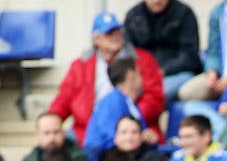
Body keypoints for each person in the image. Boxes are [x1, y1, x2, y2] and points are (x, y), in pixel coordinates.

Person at [48, 12, 165, 143]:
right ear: (96, 39)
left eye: (117, 31)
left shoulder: (143, 60)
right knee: (53, 141)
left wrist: (129, 122)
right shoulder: (80, 65)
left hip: (134, 130)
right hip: (86, 131)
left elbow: (154, 99)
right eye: (108, 33)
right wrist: (53, 118)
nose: (114, 36)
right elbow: (65, 97)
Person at [124, 0, 203, 103]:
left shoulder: (184, 14)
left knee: (158, 92)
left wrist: (163, 71)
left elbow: (190, 56)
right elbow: (128, 54)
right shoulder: (134, 17)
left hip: (177, 74)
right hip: (144, 75)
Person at [80, 57, 146, 161]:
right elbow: (110, 135)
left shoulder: (130, 102)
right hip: (102, 158)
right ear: (131, 74)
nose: (143, 80)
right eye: (140, 74)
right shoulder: (112, 101)